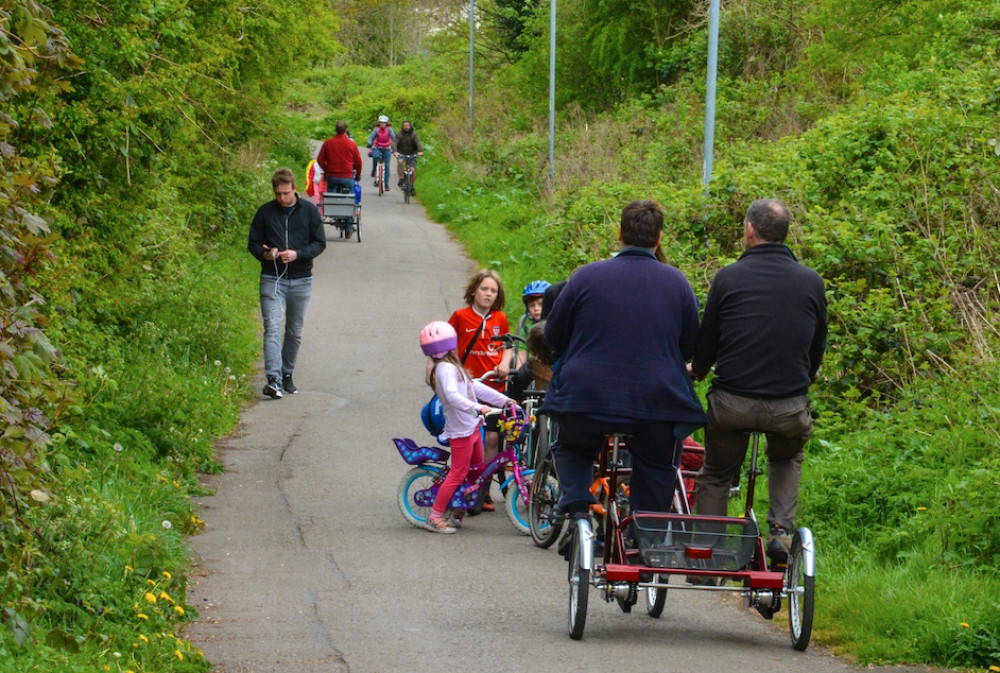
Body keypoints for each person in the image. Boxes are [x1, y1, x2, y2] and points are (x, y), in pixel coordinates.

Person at [543, 199, 706, 522]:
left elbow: (554, 336)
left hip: (586, 397)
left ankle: (577, 505)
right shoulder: (678, 284)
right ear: (659, 238)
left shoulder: (584, 277)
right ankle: (645, 530)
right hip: (655, 402)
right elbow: (689, 347)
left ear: (619, 233)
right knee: (658, 464)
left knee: (572, 447)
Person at [689, 198, 828, 565]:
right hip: (788, 405)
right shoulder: (812, 282)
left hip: (732, 403)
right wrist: (803, 380)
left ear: (750, 230)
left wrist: (697, 371)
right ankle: (780, 532)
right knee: (787, 456)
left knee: (717, 473)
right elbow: (817, 346)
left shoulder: (728, 277)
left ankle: (706, 555)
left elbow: (708, 342)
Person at [420, 321, 516, 533]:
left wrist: (504, 401)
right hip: (461, 431)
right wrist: (478, 408)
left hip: (471, 428)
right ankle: (435, 516)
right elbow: (453, 397)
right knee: (458, 472)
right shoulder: (445, 369)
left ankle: (458, 508)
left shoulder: (453, 365)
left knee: (477, 471)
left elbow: (474, 386)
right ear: (450, 345)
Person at [247, 168, 327, 399]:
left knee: (294, 331)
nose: (282, 198)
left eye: (285, 193)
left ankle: (286, 373)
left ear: (294, 189)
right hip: (272, 278)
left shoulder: (309, 212)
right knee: (272, 327)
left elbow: (319, 243)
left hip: (301, 279)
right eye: (277, 194)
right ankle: (273, 379)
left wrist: (297, 254)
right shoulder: (264, 213)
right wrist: (266, 254)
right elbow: (253, 243)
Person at [447, 270, 511, 511]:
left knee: (493, 438)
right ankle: (461, 484)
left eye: (493, 291)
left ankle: (483, 490)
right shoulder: (460, 317)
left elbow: (507, 346)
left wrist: (505, 362)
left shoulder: (500, 319)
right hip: (468, 391)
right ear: (474, 291)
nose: (488, 294)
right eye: (484, 289)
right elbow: (447, 346)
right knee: (470, 439)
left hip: (493, 388)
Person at [316, 120, 363, 238]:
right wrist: (358, 174)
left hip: (332, 176)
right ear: (346, 130)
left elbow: (320, 159)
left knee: (332, 196)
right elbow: (358, 161)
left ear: (335, 130)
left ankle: (335, 216)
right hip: (347, 176)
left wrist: (327, 170)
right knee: (348, 199)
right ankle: (348, 227)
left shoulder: (328, 143)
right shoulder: (351, 144)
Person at [392, 119, 424, 195]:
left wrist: (420, 151)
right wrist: (395, 151)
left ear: (410, 126)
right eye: (404, 126)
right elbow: (394, 142)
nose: (406, 127)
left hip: (412, 153)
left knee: (412, 170)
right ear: (402, 127)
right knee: (400, 162)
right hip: (401, 153)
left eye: (407, 125)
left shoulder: (414, 134)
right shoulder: (399, 134)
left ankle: (412, 186)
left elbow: (418, 142)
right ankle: (401, 178)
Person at [366, 115, 395, 191]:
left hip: (387, 148)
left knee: (387, 166)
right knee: (375, 157)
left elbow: (394, 137)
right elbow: (371, 138)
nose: (382, 124)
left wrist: (396, 144)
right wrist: (369, 142)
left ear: (387, 123)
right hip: (377, 147)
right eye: (381, 123)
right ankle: (374, 171)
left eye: (384, 123)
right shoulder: (376, 130)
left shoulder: (389, 130)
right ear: (379, 123)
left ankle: (386, 184)